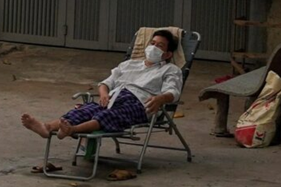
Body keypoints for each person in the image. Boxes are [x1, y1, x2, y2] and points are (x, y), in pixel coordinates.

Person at [22, 29, 184, 140]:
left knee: (106, 115)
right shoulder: (129, 64)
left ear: (168, 54)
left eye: (160, 45)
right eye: (152, 43)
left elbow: (173, 91)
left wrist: (161, 99)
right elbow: (106, 83)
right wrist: (104, 93)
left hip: (140, 103)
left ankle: (72, 130)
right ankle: (47, 127)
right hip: (114, 97)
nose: (154, 47)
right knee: (85, 109)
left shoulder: (170, 70)